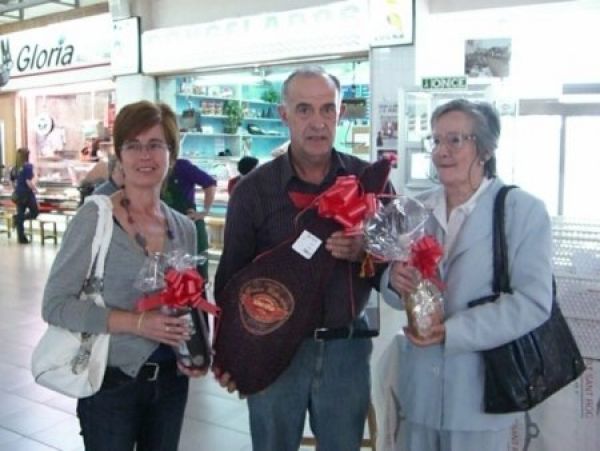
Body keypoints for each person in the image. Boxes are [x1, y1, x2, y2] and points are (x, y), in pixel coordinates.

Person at [214, 66, 388, 451]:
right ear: (284, 115)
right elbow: (229, 279)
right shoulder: (253, 191)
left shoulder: (368, 182)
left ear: (340, 115)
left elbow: (390, 268)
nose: (318, 122)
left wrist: (364, 253)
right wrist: (227, 353)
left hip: (347, 349)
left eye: (328, 110)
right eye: (305, 109)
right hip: (273, 350)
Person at [380, 99, 553, 451]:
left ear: (486, 149)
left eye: (455, 140)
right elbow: (393, 288)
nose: (441, 151)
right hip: (421, 395)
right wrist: (394, 282)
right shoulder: (417, 208)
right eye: (436, 140)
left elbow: (534, 302)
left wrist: (453, 332)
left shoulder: (521, 211)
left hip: (481, 395)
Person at [41, 101, 205, 451]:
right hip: (110, 382)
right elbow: (55, 306)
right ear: (119, 155)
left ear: (171, 155)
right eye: (133, 145)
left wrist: (196, 349)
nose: (144, 156)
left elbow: (189, 302)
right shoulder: (96, 219)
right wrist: (137, 323)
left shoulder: (184, 228)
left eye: (155, 145)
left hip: (171, 384)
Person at [161, 158, 216, 279]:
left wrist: (204, 211)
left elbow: (210, 183)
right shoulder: (153, 169)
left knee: (195, 270)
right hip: (166, 225)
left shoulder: (181, 166)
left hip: (189, 222)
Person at [10, 147, 39, 244]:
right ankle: (18, 218)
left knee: (20, 213)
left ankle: (21, 238)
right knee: (34, 212)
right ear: (26, 156)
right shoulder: (28, 166)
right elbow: (28, 181)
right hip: (27, 194)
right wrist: (35, 189)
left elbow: (12, 180)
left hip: (18, 194)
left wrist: (16, 188)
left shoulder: (15, 167)